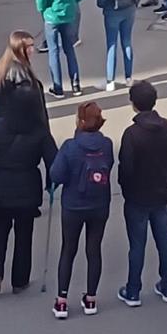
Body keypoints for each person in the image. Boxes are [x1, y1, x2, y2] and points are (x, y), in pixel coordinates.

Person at [0, 69, 57, 295]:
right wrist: (50, 183)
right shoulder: (40, 131)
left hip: (0, 187)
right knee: (24, 234)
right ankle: (19, 280)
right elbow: (53, 161)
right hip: (27, 186)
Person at [50, 101, 115, 319]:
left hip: (73, 205)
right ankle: (91, 298)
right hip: (99, 204)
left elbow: (56, 175)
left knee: (68, 249)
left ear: (80, 121)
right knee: (93, 249)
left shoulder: (70, 146)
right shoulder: (106, 145)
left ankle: (61, 300)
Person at [117, 80, 167, 307]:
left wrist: (127, 191)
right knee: (164, 239)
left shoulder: (132, 134)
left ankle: (133, 291)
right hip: (161, 193)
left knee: (137, 244)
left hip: (137, 198)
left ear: (134, 104)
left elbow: (126, 169)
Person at [97, 0, 145, 91]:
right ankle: (129, 77)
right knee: (127, 42)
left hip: (112, 12)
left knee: (112, 45)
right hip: (129, 10)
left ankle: (110, 81)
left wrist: (106, 5)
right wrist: (134, 1)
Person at [0, 29, 48, 125]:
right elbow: (29, 101)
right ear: (18, 48)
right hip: (24, 123)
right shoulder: (19, 71)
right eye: (28, 47)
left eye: (32, 45)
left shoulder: (3, 65)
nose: (32, 50)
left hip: (7, 120)